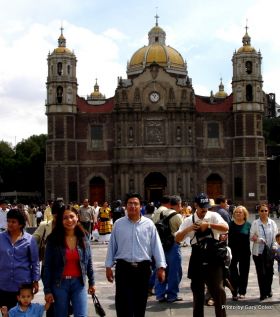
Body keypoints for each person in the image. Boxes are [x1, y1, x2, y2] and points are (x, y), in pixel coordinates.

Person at [105, 192, 166, 317]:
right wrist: (108, 266)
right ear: (125, 206)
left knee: (140, 303)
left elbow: (156, 246)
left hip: (142, 268)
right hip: (123, 268)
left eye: (135, 204)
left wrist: (161, 267)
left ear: (140, 206)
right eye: (130, 204)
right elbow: (112, 246)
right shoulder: (118, 224)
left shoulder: (148, 224)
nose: (132, 206)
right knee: (122, 303)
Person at [175, 193, 229, 317]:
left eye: (206, 207)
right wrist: (188, 229)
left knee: (219, 290)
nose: (205, 210)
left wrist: (208, 225)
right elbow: (177, 239)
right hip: (197, 255)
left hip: (213, 255)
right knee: (197, 291)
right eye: (202, 207)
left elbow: (225, 228)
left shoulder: (214, 215)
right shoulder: (189, 220)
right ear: (195, 205)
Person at [42, 204, 95, 317]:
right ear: (61, 220)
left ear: (77, 217)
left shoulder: (84, 237)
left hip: (79, 283)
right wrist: (47, 290)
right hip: (59, 284)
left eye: (71, 216)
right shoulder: (53, 240)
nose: (69, 220)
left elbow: (88, 261)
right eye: (65, 218)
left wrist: (92, 282)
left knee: (81, 314)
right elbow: (47, 266)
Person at [0, 209, 40, 310]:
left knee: (22, 313)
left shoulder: (30, 240)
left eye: (13, 222)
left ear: (21, 224)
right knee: (7, 313)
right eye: (8, 221)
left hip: (23, 286)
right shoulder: (1, 238)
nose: (10, 224)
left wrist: (35, 280)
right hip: (4, 284)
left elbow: (35, 262)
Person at [153, 195, 183, 303]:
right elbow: (182, 232)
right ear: (178, 204)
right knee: (174, 271)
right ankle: (172, 295)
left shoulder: (157, 213)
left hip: (159, 245)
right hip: (173, 245)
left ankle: (160, 295)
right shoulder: (177, 216)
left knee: (160, 268)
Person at [250, 203, 278, 301]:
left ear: (268, 211)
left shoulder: (273, 223)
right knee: (261, 273)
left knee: (270, 272)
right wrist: (258, 239)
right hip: (259, 252)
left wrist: (274, 246)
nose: (264, 212)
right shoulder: (255, 223)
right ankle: (263, 293)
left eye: (266, 210)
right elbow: (251, 236)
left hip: (270, 252)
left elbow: (276, 237)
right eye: (262, 211)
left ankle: (268, 289)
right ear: (259, 212)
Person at [228, 206, 251, 300]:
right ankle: (234, 291)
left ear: (244, 214)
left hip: (245, 252)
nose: (238, 214)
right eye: (236, 212)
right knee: (232, 272)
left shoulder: (248, 225)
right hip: (232, 252)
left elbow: (253, 235)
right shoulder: (230, 224)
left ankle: (242, 292)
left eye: (240, 212)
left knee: (244, 272)